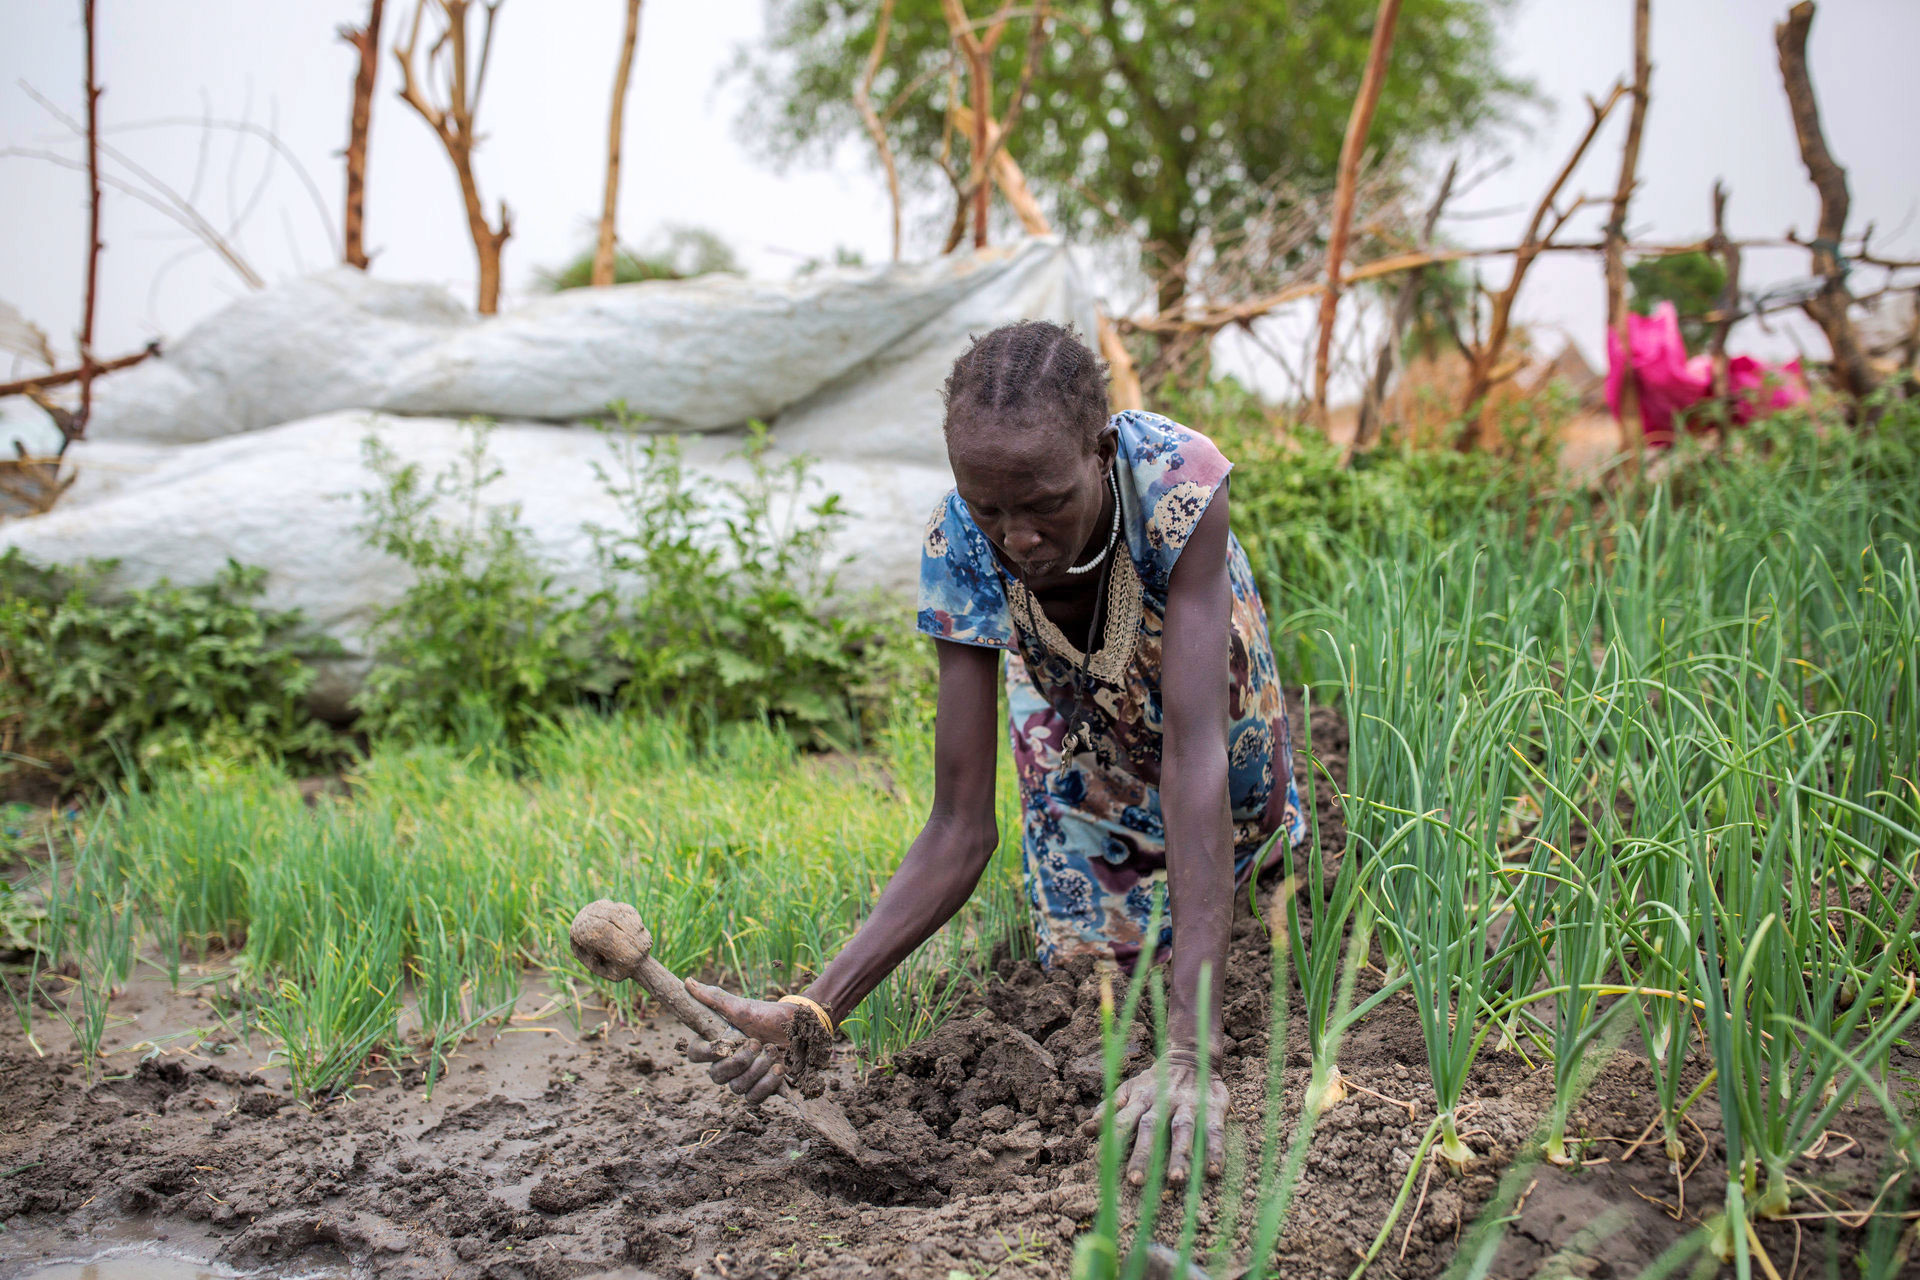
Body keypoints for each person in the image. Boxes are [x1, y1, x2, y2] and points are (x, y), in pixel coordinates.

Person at [682, 320, 1304, 1186]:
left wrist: (1193, 1057)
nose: (1017, 536)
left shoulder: (1176, 483)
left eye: (1045, 502)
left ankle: (1261, 874)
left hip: (1203, 684)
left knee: (1244, 836)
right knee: (1098, 972)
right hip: (1074, 708)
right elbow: (959, 825)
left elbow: (1192, 754)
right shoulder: (960, 544)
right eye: (990, 508)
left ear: (1097, 449)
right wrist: (816, 1008)